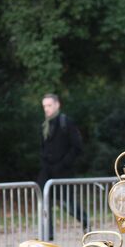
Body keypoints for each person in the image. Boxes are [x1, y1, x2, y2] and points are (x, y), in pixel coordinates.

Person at [37, 93, 88, 238]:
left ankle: (85, 221)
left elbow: (77, 146)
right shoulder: (44, 125)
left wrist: (64, 163)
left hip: (63, 171)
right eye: (44, 106)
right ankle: (49, 233)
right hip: (47, 171)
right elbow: (43, 147)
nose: (46, 109)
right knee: (45, 201)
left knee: (68, 203)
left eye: (49, 105)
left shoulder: (66, 122)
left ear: (57, 105)